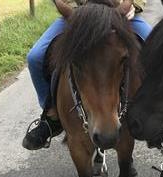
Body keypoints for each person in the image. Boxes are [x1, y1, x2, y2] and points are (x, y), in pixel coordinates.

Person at [22, 0, 152, 150]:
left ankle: (153, 113)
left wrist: (133, 5)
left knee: (155, 49)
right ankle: (51, 115)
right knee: (35, 57)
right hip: (80, 15)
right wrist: (74, 10)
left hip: (119, 13)